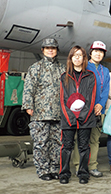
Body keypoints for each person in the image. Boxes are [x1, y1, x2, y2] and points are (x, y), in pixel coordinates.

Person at [22, 38, 66, 181]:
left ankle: (54, 169)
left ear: (57, 50)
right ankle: (43, 170)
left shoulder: (62, 68)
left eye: (53, 48)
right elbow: (28, 88)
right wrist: (28, 106)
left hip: (58, 113)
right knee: (41, 143)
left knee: (57, 143)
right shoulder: (35, 68)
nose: (50, 50)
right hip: (40, 113)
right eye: (47, 48)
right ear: (42, 50)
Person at [59, 46, 97, 184]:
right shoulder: (64, 76)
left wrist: (83, 116)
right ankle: (64, 173)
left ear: (84, 58)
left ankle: (83, 173)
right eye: (74, 55)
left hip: (85, 118)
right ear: (70, 58)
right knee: (66, 146)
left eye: (80, 55)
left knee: (84, 146)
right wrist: (71, 117)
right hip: (68, 119)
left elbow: (91, 99)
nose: (77, 58)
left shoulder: (90, 76)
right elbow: (63, 100)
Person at [72, 41, 110, 178]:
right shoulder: (84, 67)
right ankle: (79, 166)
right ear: (90, 53)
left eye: (101, 51)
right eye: (96, 51)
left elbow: (106, 89)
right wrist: (91, 105)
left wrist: (100, 104)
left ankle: (92, 166)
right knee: (81, 140)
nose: (98, 53)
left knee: (95, 140)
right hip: (85, 110)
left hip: (99, 111)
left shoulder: (105, 71)